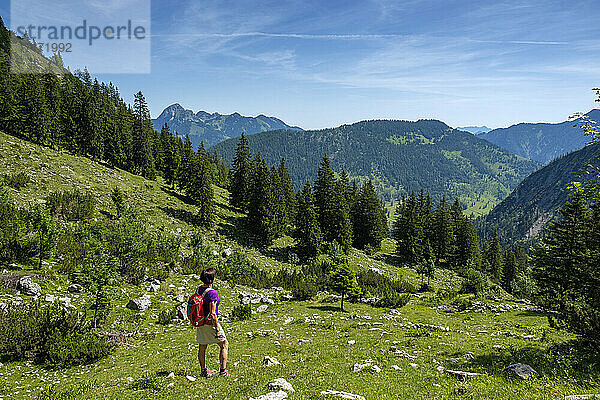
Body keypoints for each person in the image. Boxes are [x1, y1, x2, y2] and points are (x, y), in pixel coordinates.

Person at [196, 267, 229, 377]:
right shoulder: (212, 293)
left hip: (201, 322)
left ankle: (204, 370)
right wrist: (217, 329)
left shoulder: (199, 289)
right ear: (212, 279)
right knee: (224, 344)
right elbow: (213, 313)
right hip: (210, 323)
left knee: (202, 346)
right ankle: (223, 371)